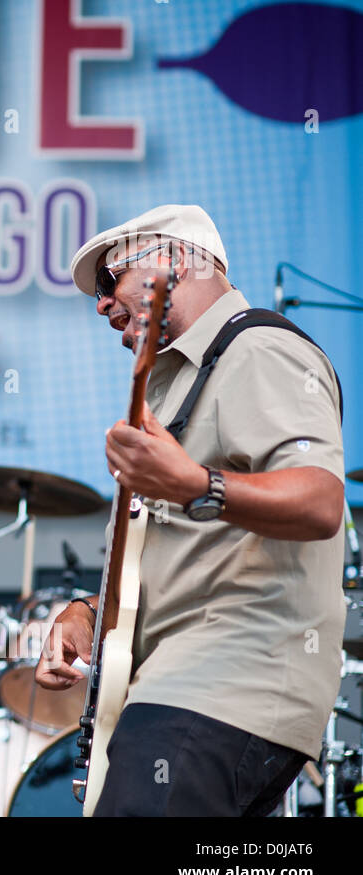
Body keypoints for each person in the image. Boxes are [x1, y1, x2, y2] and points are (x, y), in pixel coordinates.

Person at [36, 204, 347, 816]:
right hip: (190, 689)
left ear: (178, 260)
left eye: (109, 281)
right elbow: (189, 553)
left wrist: (196, 485)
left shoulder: (260, 348)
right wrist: (88, 614)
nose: (100, 305)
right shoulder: (180, 378)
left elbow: (320, 500)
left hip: (221, 686)